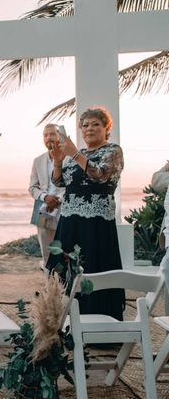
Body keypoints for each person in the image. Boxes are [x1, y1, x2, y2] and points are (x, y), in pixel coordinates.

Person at [46, 107, 125, 320]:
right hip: (70, 221)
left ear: (106, 128)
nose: (89, 128)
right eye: (85, 125)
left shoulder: (113, 151)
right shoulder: (77, 154)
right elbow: (60, 182)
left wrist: (74, 153)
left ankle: (99, 323)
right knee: (65, 268)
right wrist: (58, 161)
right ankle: (66, 322)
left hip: (96, 223)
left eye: (95, 124)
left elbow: (99, 175)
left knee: (94, 267)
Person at [29, 124, 65, 269]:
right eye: (45, 135)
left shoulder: (69, 157)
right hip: (43, 209)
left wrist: (58, 200)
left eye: (52, 134)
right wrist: (45, 198)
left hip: (64, 208)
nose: (48, 137)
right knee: (47, 253)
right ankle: (50, 287)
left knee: (66, 251)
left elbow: (72, 185)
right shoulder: (38, 160)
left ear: (59, 136)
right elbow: (32, 187)